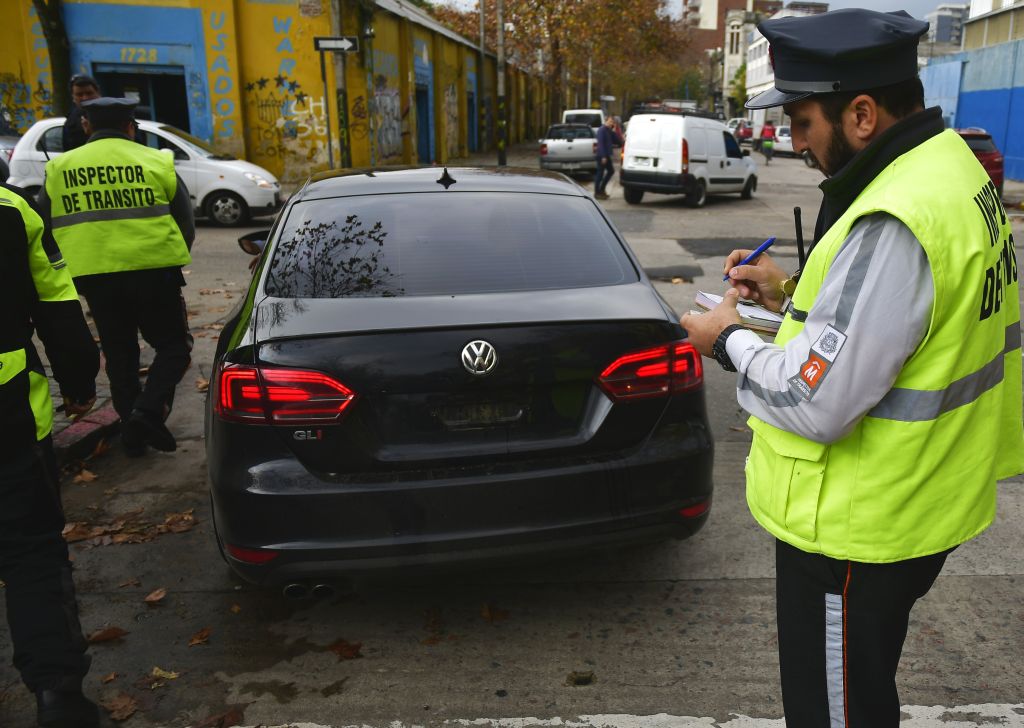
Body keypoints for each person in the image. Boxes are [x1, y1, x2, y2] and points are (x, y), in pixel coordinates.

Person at [679, 9, 1023, 727]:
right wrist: (791, 294)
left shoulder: (893, 216)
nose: (796, 142)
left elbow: (815, 401)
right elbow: (901, 323)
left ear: (861, 114)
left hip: (854, 531)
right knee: (864, 692)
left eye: (803, 122)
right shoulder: (950, 168)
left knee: (835, 714)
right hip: (922, 505)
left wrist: (725, 338)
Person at [38, 97, 195, 457]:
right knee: (174, 346)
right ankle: (147, 412)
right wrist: (171, 259)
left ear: (87, 126)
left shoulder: (61, 167)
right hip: (155, 272)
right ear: (131, 126)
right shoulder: (156, 161)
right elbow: (185, 222)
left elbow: (44, 227)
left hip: (95, 278)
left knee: (119, 352)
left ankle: (132, 434)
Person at [1, 181, 101, 726]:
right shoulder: (11, 209)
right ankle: (59, 696)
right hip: (8, 414)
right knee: (31, 552)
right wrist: (79, 381)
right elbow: (58, 307)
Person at [61, 75, 101, 152]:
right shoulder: (70, 122)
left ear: (98, 92)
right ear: (73, 97)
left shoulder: (112, 114)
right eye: (79, 95)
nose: (85, 98)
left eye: (89, 93)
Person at [593, 116, 623, 200]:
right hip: (601, 155)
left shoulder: (609, 131)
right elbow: (601, 144)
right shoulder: (601, 130)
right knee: (600, 173)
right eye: (610, 121)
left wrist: (614, 131)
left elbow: (618, 142)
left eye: (612, 122)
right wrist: (603, 156)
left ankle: (602, 189)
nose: (611, 123)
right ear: (605, 121)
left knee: (611, 171)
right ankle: (597, 192)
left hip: (606, 155)